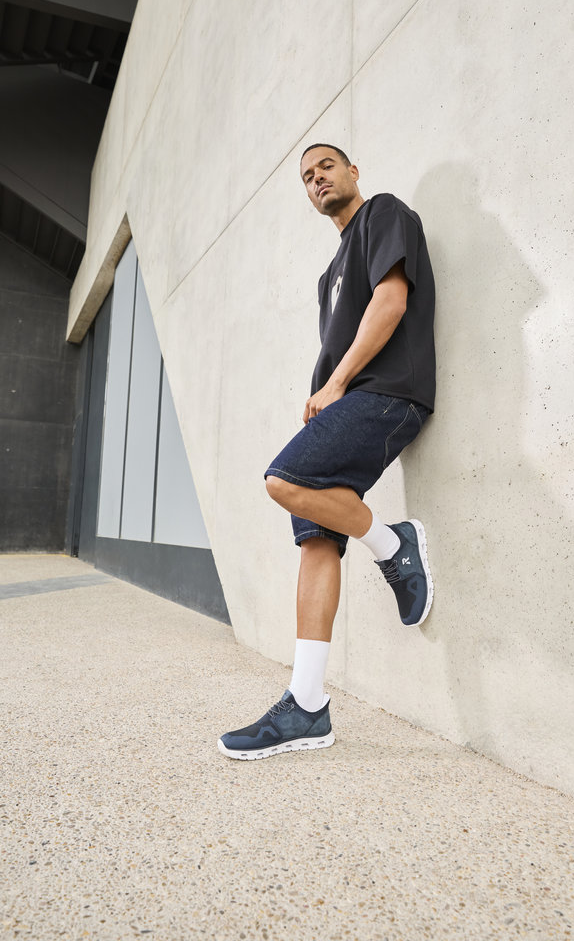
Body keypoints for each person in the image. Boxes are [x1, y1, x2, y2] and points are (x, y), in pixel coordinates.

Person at [218, 144, 436, 761]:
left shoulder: (383, 214)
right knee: (315, 539)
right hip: (346, 404)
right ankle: (307, 705)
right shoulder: (328, 275)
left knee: (284, 479)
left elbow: (391, 302)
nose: (318, 180)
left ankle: (393, 545)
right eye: (308, 177)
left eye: (327, 168)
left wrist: (337, 385)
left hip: (388, 394)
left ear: (353, 172)